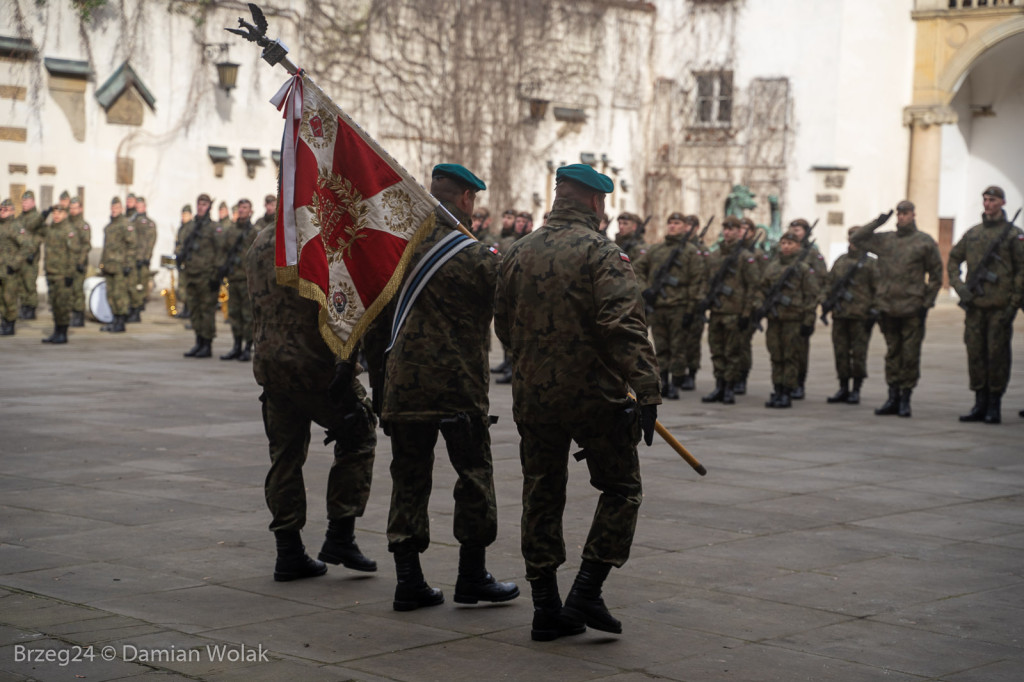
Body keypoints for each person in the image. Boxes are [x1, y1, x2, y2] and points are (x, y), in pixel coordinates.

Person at [494, 163, 660, 641]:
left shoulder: (516, 252)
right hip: (594, 397)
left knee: (541, 493)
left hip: (534, 395)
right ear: (595, 202)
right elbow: (622, 326)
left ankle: (546, 607)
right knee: (622, 488)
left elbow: (503, 325)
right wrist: (646, 389)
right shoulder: (602, 253)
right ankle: (587, 588)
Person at [373, 163, 518, 612]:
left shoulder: (396, 250)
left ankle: (408, 582)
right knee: (473, 478)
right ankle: (471, 577)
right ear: (466, 200)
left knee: (409, 480)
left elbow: (374, 320)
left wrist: (381, 389)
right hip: (458, 387)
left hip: (404, 386)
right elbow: (511, 317)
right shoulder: (475, 257)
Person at [245, 221, 377, 582]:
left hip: (272, 365)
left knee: (285, 456)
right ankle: (340, 535)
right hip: (314, 366)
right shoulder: (317, 239)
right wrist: (346, 364)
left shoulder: (260, 241)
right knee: (359, 433)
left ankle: (288, 552)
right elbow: (340, 307)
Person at [851, 200, 942, 417]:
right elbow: (857, 238)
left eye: (906, 213)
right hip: (888, 307)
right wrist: (878, 221)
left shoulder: (924, 242)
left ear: (913, 215)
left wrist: (926, 303)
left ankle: (905, 398)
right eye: (899, 213)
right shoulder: (885, 240)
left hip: (912, 308)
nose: (901, 217)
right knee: (892, 354)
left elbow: (936, 275)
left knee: (909, 355)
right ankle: (892, 397)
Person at [948, 186, 1024, 424]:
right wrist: (959, 288)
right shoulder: (973, 233)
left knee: (997, 356)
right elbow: (953, 259)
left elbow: (1022, 270)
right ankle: (979, 403)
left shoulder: (1013, 235)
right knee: (976, 354)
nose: (987, 204)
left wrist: (1013, 304)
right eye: (985, 200)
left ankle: (994, 405)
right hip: (975, 306)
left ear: (1002, 202)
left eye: (992, 200)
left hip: (1000, 307)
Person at [634, 212, 704, 399]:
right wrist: (645, 289)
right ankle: (663, 380)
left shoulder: (690, 252)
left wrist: (691, 310)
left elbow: (696, 282)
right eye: (670, 223)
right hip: (658, 307)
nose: (673, 226)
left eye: (677, 223)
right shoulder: (656, 250)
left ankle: (676, 383)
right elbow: (636, 269)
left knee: (678, 348)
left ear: (684, 226)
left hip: (679, 307)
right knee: (661, 346)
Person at [754, 231, 821, 408]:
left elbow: (811, 296)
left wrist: (808, 320)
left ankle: (787, 391)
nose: (786, 247)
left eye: (790, 244)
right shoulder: (773, 267)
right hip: (775, 318)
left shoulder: (803, 269)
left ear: (798, 246)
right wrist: (759, 305)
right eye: (783, 243)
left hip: (794, 319)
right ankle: (777, 388)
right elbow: (762, 288)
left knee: (790, 357)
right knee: (776, 356)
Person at [699, 217, 759, 404]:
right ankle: (719, 385)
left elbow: (753, 286)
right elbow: (706, 280)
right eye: (725, 229)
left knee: (732, 353)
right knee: (717, 351)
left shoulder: (745, 257)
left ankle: (730, 388)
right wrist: (702, 300)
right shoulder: (715, 256)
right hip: (717, 311)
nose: (727, 232)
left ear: (738, 231)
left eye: (731, 229)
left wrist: (747, 313)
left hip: (735, 312)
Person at [824, 226, 879, 405]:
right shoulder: (840, 261)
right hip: (840, 314)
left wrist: (874, 312)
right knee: (840, 353)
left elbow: (879, 290)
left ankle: (856, 389)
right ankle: (843, 387)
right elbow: (829, 283)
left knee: (858, 354)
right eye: (851, 238)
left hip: (861, 316)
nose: (853, 242)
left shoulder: (870, 264)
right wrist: (825, 301)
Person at [176, 194, 225, 357]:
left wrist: (217, 275)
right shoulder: (191, 227)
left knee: (207, 311)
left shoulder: (214, 228)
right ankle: (198, 341)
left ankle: (207, 344)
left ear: (209, 207)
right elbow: (183, 246)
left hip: (207, 275)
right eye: (199, 204)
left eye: (204, 204)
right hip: (191, 274)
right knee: (195, 310)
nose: (201, 207)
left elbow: (220, 252)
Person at [784, 218, 827, 399]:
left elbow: (821, 279)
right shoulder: (784, 252)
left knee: (799, 350)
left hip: (802, 308)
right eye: (792, 229)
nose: (795, 232)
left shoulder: (812, 253)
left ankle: (799, 383)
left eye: (799, 229)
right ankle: (784, 383)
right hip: (783, 308)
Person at [219, 198, 258, 361]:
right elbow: (224, 251)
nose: (242, 210)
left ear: (250, 211)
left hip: (248, 279)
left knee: (248, 315)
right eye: (240, 208)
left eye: (245, 208)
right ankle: (236, 345)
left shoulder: (254, 231)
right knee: (234, 314)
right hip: (234, 278)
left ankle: (248, 347)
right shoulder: (231, 230)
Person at [735, 218, 771, 394]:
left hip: (748, 306)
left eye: (745, 229)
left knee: (742, 345)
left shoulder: (757, 255)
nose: (741, 232)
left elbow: (761, 282)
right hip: (729, 307)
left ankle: (741, 377)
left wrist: (755, 308)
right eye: (739, 228)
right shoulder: (732, 252)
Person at [39, 205, 83, 344]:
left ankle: (63, 333)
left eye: (60, 212)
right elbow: (34, 227)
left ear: (65, 214)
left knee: (63, 305)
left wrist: (70, 274)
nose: (56, 215)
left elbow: (73, 254)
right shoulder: (51, 229)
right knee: (55, 304)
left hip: (63, 275)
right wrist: (43, 214)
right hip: (51, 272)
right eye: (54, 212)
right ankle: (57, 331)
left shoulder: (69, 230)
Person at [679, 215, 708, 390]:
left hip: (696, 302)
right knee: (679, 341)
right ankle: (678, 373)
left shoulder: (701, 250)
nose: (687, 229)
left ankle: (691, 373)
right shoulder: (679, 248)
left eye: (690, 226)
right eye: (685, 225)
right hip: (680, 300)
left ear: (696, 228)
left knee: (692, 342)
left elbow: (704, 277)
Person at [99, 197, 135, 333]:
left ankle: (120, 322)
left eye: (117, 208)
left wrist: (128, 264)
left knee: (120, 295)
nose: (114, 210)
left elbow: (132, 245)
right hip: (109, 266)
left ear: (122, 209)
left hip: (121, 266)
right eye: (113, 207)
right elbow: (106, 248)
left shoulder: (126, 225)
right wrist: (102, 263)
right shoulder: (109, 227)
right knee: (111, 295)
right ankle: (114, 319)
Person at [15, 190, 47, 320]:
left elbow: (41, 235)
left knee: (29, 283)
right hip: (20, 256)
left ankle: (31, 308)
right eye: (23, 201)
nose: (24, 204)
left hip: (31, 256)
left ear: (33, 202)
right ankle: (24, 306)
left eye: (27, 201)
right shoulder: (20, 218)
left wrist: (32, 250)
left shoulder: (37, 217)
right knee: (21, 283)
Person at [0, 198, 31, 336]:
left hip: (10, 270)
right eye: (1, 209)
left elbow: (27, 246)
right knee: (1, 298)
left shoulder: (16, 227)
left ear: (12, 211)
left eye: (5, 209)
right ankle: (4, 322)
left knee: (9, 298)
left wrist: (14, 263)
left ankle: (10, 324)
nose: (2, 212)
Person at [127, 197, 157, 323]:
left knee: (140, 286)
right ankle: (132, 309)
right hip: (131, 258)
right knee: (131, 285)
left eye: (141, 206)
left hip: (141, 260)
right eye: (137, 206)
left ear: (145, 207)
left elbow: (150, 242)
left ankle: (137, 311)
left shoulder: (149, 223)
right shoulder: (131, 221)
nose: (139, 208)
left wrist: (146, 257)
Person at [67, 197, 91, 327]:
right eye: (71, 208)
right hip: (67, 263)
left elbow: (86, 245)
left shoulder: (83, 225)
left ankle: (79, 315)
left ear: (80, 209)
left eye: (75, 208)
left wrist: (81, 262)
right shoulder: (67, 224)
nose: (72, 210)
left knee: (77, 290)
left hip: (78, 263)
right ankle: (72, 314)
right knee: (69, 290)